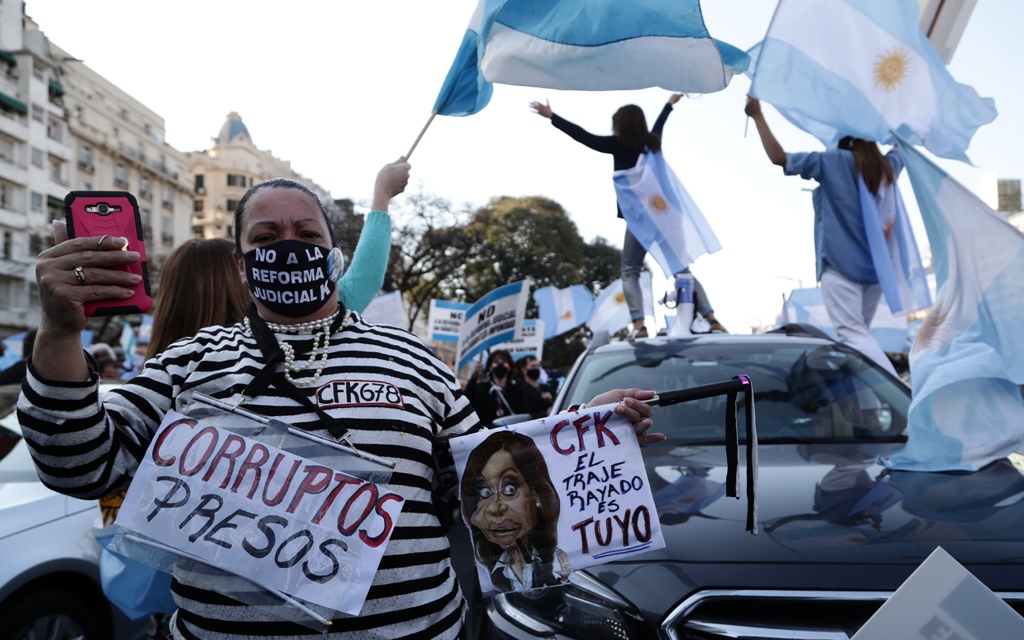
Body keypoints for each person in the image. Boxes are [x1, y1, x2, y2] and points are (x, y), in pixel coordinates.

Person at [18, 153, 659, 639]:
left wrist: (578, 443)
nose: (288, 247)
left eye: (306, 234)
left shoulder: (414, 360)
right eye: (266, 240)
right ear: (241, 266)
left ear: (332, 253)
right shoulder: (189, 361)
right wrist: (58, 331)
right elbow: (78, 464)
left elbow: (478, 491)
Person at [744, 97, 900, 375]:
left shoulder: (833, 161)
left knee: (853, 337)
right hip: (875, 271)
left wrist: (757, 115)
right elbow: (902, 149)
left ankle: (901, 391)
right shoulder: (886, 166)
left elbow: (780, 158)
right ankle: (870, 409)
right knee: (857, 342)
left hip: (840, 268)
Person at [531, 93, 683, 339]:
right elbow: (658, 126)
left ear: (620, 125)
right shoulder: (652, 143)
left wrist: (553, 117)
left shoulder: (617, 144)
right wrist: (668, 105)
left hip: (638, 218)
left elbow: (584, 137)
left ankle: (639, 325)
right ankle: (708, 316)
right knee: (680, 267)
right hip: (663, 215)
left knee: (630, 271)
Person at [460, 430, 570, 592]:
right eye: (484, 492)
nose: (495, 508)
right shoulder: (488, 573)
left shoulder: (560, 562)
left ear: (537, 493)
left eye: (510, 488)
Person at [469, 348, 518, 427]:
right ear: (490, 367)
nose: (500, 364)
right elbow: (469, 397)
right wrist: (475, 375)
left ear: (509, 367)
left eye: (504, 362)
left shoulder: (516, 390)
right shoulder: (482, 389)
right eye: (496, 362)